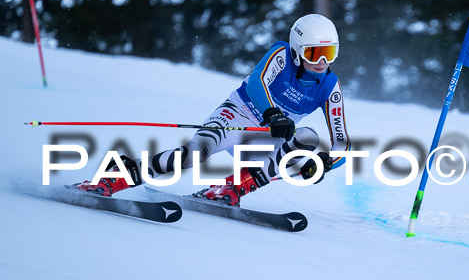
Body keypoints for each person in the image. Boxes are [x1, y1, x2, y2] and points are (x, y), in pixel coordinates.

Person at [75, 14, 351, 207]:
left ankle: (232, 187)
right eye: (315, 54)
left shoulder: (330, 86)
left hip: (269, 134)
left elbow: (343, 143)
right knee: (194, 154)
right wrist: (272, 114)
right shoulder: (281, 55)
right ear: (297, 50)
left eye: (330, 52)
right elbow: (257, 82)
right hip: (238, 116)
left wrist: (325, 163)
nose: (323, 62)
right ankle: (118, 175)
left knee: (308, 139)